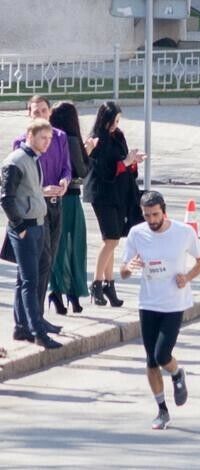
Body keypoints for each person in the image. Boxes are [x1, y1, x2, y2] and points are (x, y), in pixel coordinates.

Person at [120, 191, 200, 430]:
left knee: (162, 355)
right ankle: (162, 410)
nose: (152, 220)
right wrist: (130, 267)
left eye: (156, 215)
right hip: (148, 303)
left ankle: (177, 373)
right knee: (151, 361)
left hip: (173, 303)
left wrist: (187, 277)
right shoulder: (136, 233)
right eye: (147, 215)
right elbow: (123, 271)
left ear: (164, 211)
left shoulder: (183, 232)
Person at [1, 119, 63, 349]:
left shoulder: (33, 158)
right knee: (30, 280)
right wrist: (20, 227)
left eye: (49, 138)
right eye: (42, 138)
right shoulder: (16, 161)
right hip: (25, 228)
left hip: (38, 224)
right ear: (30, 136)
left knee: (28, 277)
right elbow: (6, 198)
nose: (47, 143)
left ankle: (22, 328)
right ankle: (37, 331)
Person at [13, 95, 71, 334]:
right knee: (33, 266)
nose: (40, 115)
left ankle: (36, 317)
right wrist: (42, 190)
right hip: (34, 209)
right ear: (29, 114)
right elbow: (19, 184)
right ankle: (26, 321)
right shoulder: (21, 143)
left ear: (50, 112)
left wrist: (65, 181)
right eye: (35, 111)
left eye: (44, 110)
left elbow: (67, 167)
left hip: (56, 205)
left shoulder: (60, 137)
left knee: (47, 262)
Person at [84, 101, 145, 307]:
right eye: (113, 121)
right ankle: (96, 283)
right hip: (102, 195)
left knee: (113, 239)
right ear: (105, 119)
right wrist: (126, 162)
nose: (116, 125)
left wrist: (133, 161)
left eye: (118, 121)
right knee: (111, 239)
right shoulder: (96, 140)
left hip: (119, 193)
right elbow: (104, 170)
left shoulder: (118, 136)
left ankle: (109, 285)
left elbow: (123, 162)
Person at [48, 101, 97, 314]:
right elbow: (82, 171)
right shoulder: (70, 140)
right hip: (70, 199)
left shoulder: (49, 139)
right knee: (74, 244)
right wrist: (89, 150)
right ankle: (72, 293)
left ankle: (57, 291)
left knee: (56, 246)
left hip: (51, 198)